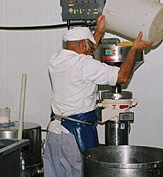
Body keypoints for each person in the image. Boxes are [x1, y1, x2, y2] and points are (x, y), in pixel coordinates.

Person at [43, 15, 153, 177]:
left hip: (54, 133)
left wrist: (98, 32)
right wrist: (133, 49)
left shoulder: (56, 60)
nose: (92, 50)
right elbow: (121, 77)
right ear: (82, 44)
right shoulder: (86, 65)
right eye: (90, 46)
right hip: (75, 136)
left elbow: (84, 52)